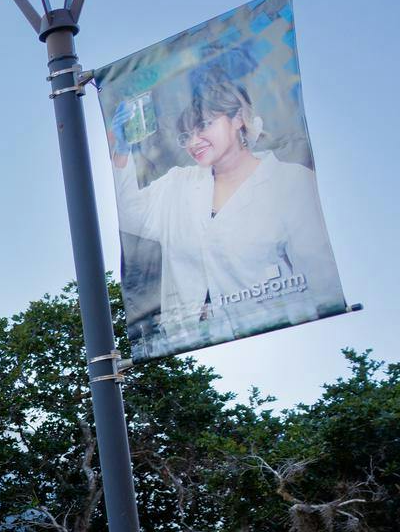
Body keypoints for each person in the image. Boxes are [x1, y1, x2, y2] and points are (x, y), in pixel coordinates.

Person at [112, 63, 344, 355]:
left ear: (237, 119)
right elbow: (132, 216)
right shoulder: (177, 184)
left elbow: (320, 282)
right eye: (186, 136)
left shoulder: (291, 181)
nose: (194, 142)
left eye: (204, 126)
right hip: (188, 351)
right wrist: (120, 152)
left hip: (271, 343)